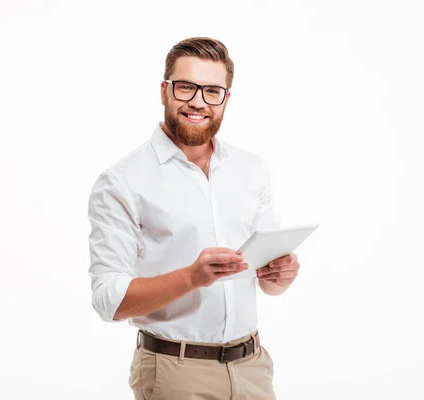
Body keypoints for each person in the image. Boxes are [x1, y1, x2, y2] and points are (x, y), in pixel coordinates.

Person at [87, 37, 301, 400]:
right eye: (186, 87)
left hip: (253, 367)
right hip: (175, 373)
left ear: (226, 99)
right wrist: (191, 277)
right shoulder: (123, 181)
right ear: (164, 91)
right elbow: (109, 301)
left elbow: (269, 284)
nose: (198, 101)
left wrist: (282, 275)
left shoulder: (252, 170)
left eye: (212, 90)